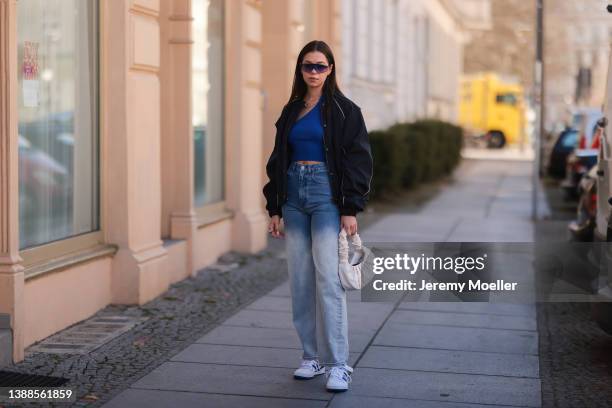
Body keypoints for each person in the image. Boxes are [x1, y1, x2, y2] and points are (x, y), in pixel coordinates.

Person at [262, 40, 373, 392]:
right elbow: (278, 160)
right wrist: (275, 207)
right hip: (294, 195)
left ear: (331, 69)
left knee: (329, 280)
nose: (313, 72)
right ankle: (311, 356)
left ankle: (339, 364)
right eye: (308, 66)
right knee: (300, 282)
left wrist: (349, 207)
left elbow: (359, 160)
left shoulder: (344, 111)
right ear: (300, 69)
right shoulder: (291, 109)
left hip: (327, 196)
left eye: (320, 66)